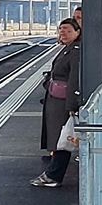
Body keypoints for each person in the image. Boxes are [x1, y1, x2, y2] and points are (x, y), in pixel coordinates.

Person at [33, 17, 82, 187]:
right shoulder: (69, 48)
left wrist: (71, 105)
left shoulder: (75, 51)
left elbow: (75, 79)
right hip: (58, 100)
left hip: (63, 102)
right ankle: (53, 173)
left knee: (63, 139)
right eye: (61, 30)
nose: (64, 33)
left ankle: (54, 175)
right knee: (61, 138)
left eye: (68, 30)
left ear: (77, 32)